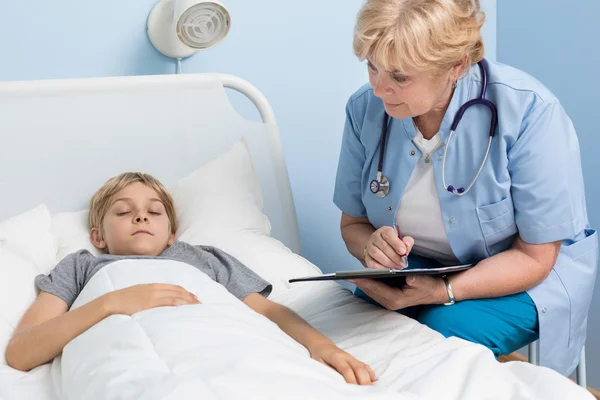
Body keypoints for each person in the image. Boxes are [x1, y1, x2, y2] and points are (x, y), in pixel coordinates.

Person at [333, 0, 597, 376]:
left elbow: (536, 257)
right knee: (364, 338)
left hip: (528, 273)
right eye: (372, 67)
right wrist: (371, 247)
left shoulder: (529, 110)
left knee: (439, 343)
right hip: (420, 266)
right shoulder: (364, 109)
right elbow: (353, 225)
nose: (379, 88)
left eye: (400, 76)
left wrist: (444, 292)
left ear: (455, 65)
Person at [6, 172, 376, 385]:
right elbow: (22, 351)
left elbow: (268, 313)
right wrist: (110, 303)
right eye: (123, 212)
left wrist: (323, 346)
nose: (141, 218)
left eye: (154, 211)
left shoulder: (205, 259)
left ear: (172, 233)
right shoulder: (81, 265)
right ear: (98, 236)